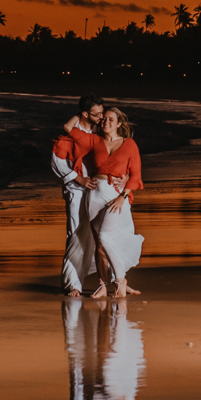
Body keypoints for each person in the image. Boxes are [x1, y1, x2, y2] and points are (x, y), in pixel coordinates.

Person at [65, 106, 144, 298]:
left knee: (106, 237)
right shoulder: (95, 140)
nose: (106, 123)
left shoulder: (129, 144)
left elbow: (136, 175)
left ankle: (120, 280)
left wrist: (122, 196)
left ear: (119, 124)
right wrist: (82, 113)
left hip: (117, 196)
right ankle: (102, 284)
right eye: (103, 120)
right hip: (94, 195)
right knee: (99, 246)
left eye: (110, 120)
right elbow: (68, 128)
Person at [52, 94, 105, 297]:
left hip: (98, 187)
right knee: (75, 232)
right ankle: (73, 283)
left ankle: (110, 279)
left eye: (102, 112)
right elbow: (57, 162)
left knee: (100, 233)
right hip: (76, 189)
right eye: (97, 113)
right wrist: (79, 179)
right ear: (85, 114)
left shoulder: (100, 130)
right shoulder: (70, 134)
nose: (102, 117)